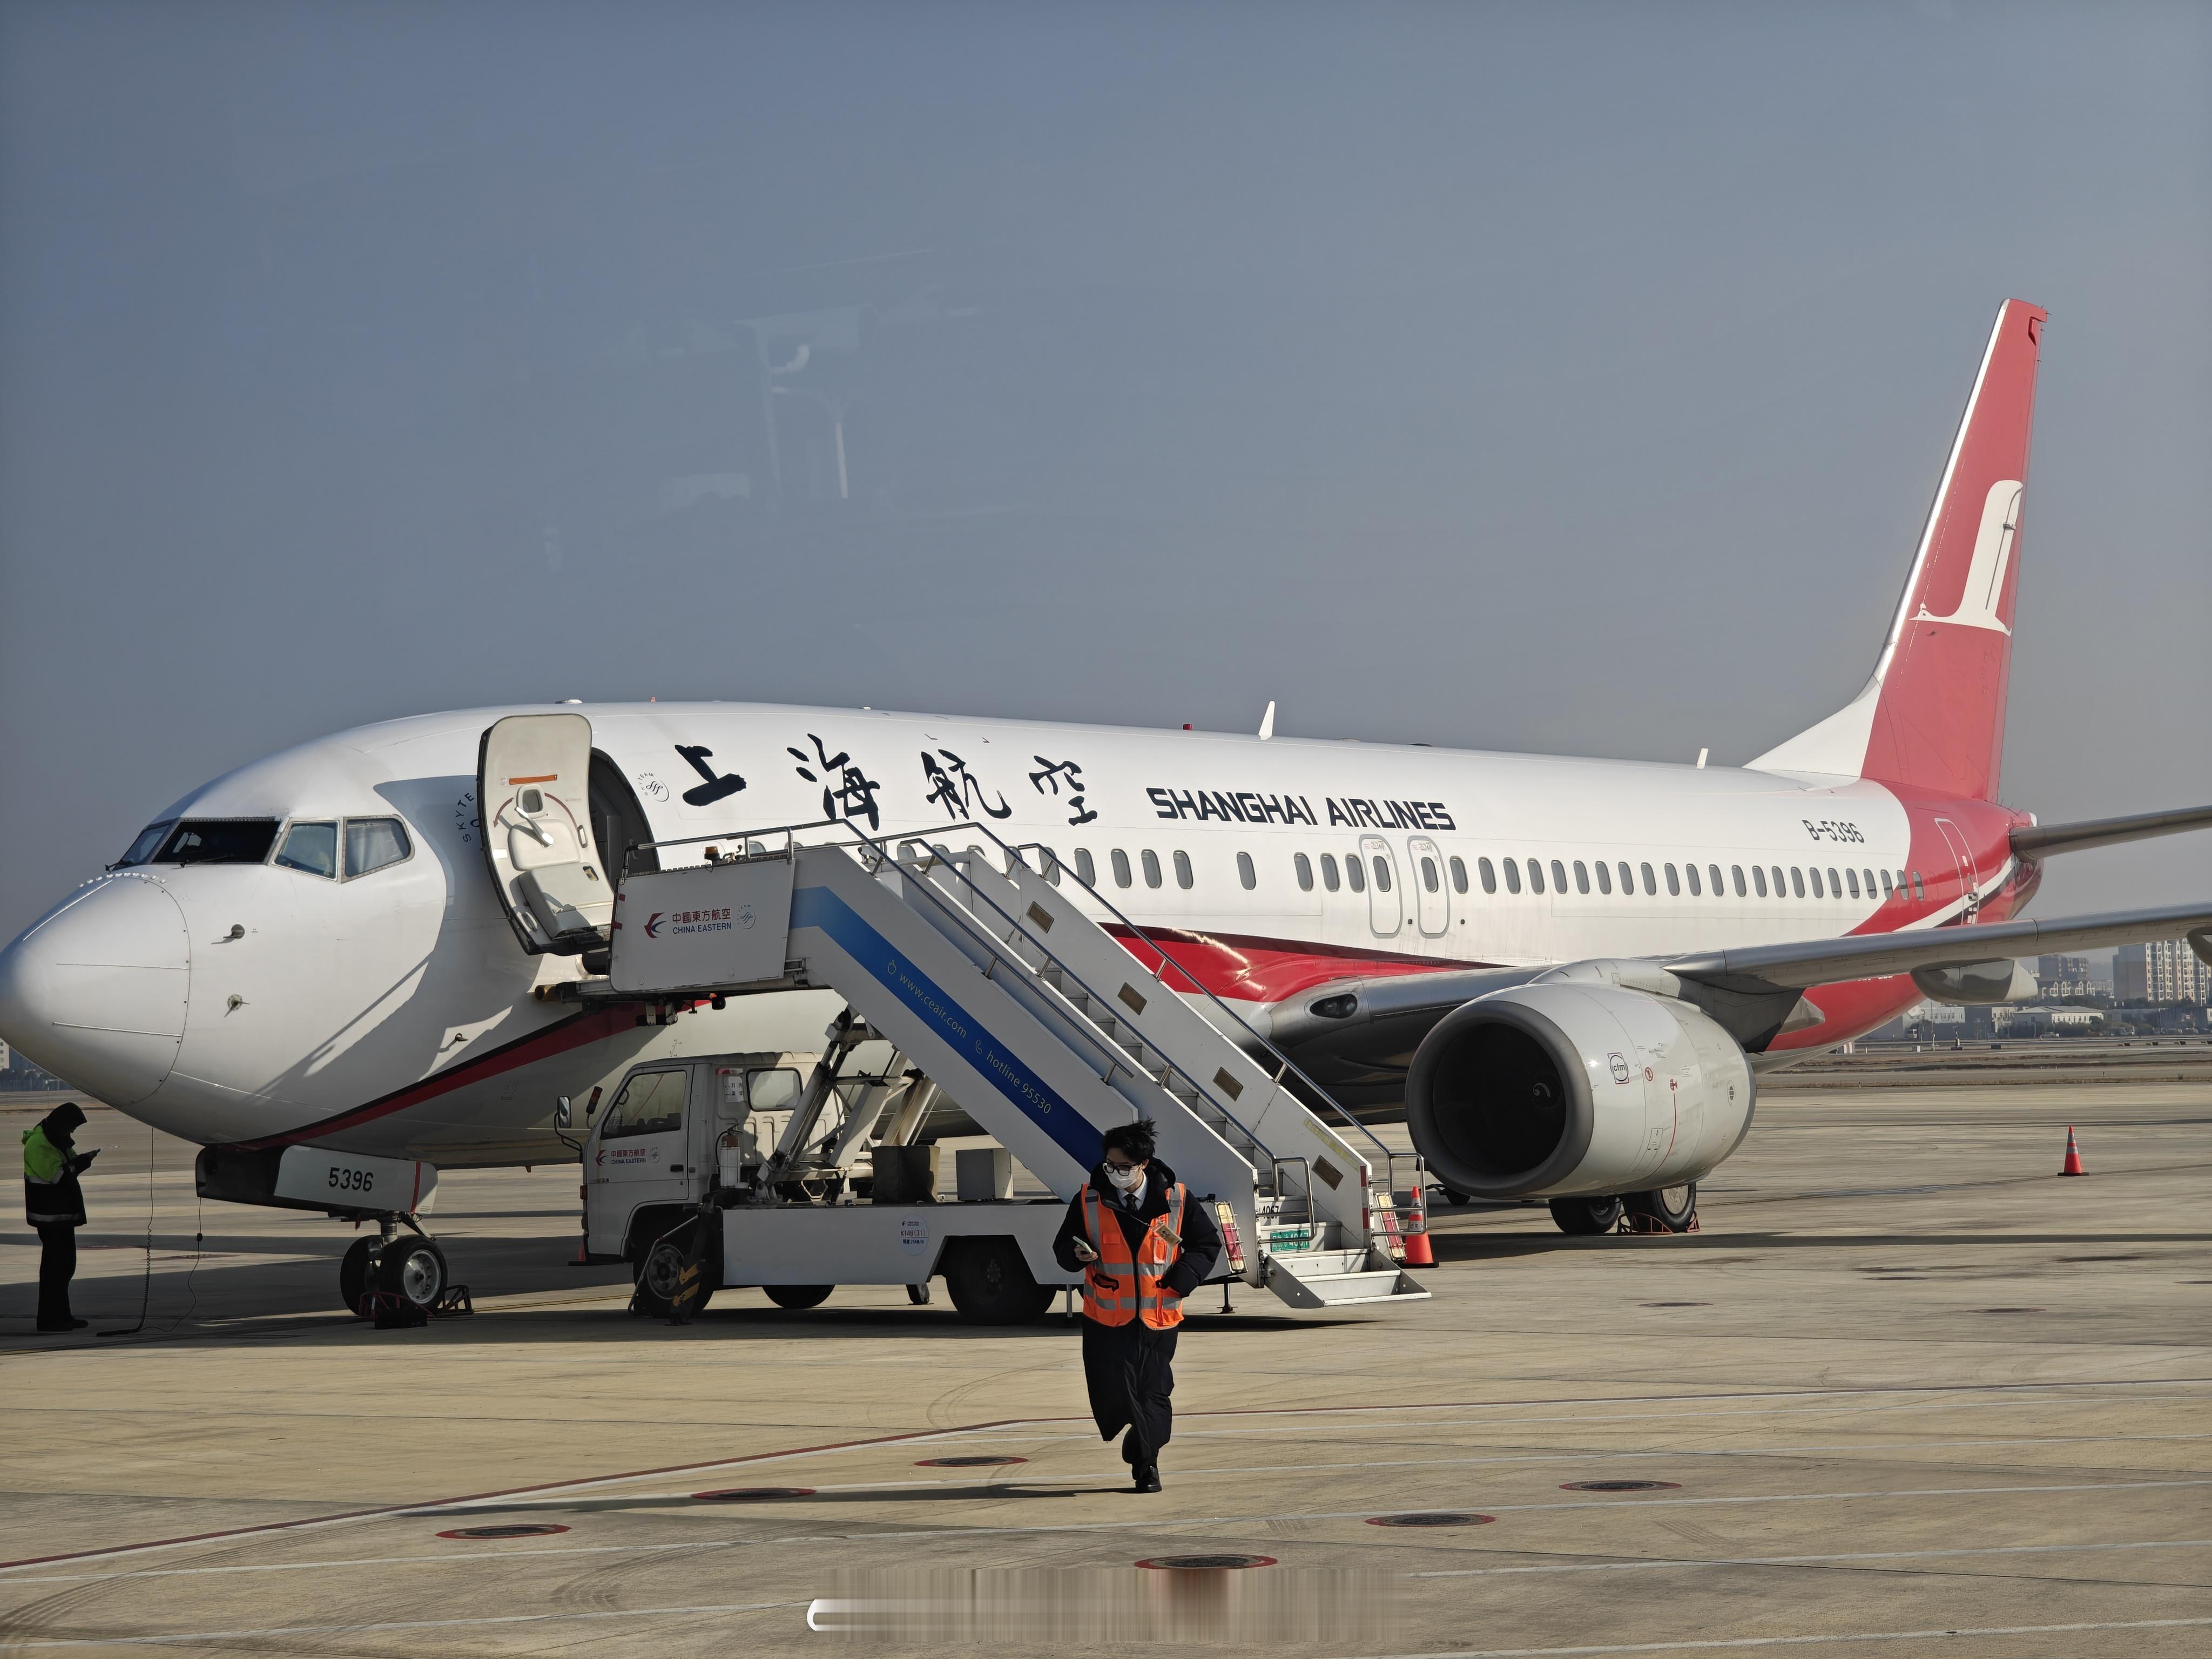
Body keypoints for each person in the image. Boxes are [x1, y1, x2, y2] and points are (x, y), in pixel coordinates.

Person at [1051, 1118, 1220, 1493]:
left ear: (1143, 1164)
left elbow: (1206, 1245)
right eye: (1109, 1165)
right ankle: (1141, 1439)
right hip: (1106, 1319)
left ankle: (1147, 1465)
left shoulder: (1176, 1199)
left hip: (1158, 1317)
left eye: (1123, 1167)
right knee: (1116, 1392)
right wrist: (1076, 1254)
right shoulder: (1089, 1198)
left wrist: (1182, 1281)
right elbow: (1063, 1249)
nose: (1114, 1173)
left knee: (1153, 1393)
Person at [23, 1102, 97, 1333]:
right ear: (61, 1124)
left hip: (62, 1216)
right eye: (71, 1129)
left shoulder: (56, 1140)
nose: (71, 1134)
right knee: (54, 1270)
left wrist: (79, 1161)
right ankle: (48, 1320)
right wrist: (81, 1164)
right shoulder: (38, 1144)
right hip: (49, 1217)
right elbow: (57, 1176)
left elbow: (69, 1164)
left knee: (66, 1267)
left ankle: (63, 1314)